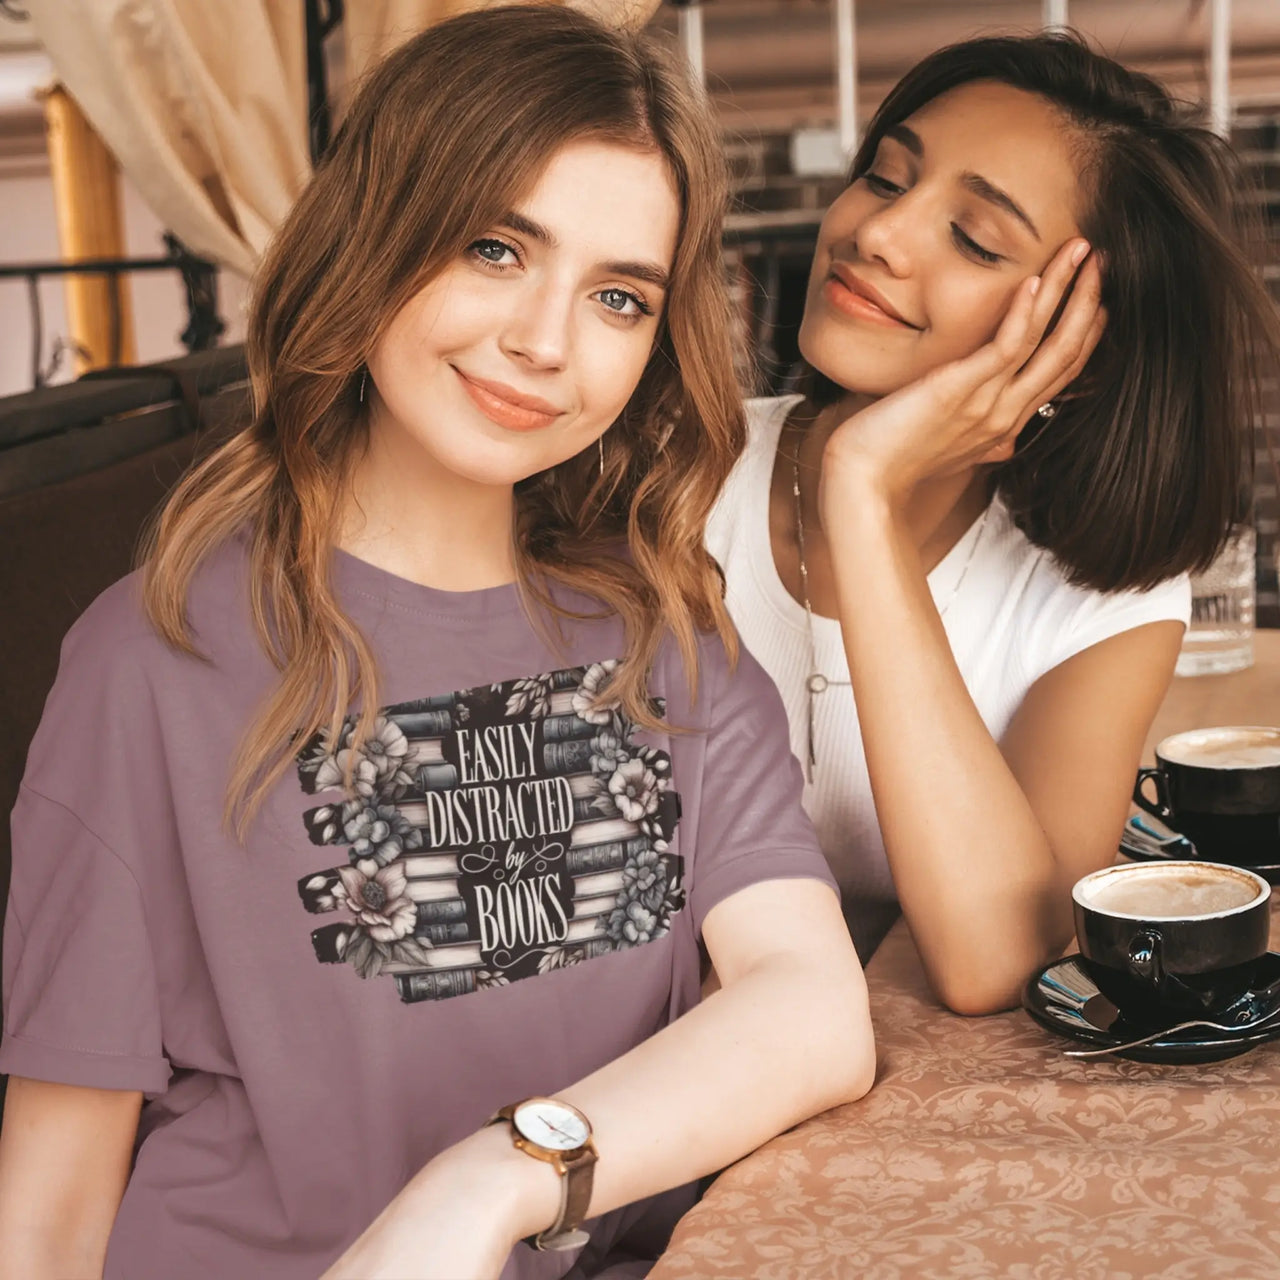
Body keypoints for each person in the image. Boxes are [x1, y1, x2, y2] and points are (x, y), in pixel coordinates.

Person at [0, 9, 874, 1278]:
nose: (545, 341)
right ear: (376, 235)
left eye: (617, 295)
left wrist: (484, 1186)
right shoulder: (150, 659)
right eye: (494, 246)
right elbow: (52, 1207)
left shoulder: (661, 635)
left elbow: (810, 1009)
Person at [707, 32, 1279, 1015]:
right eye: (885, 179)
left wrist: (861, 485)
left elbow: (1000, 956)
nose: (874, 235)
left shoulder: (1103, 595)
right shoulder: (668, 472)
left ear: (1082, 346)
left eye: (973, 238)